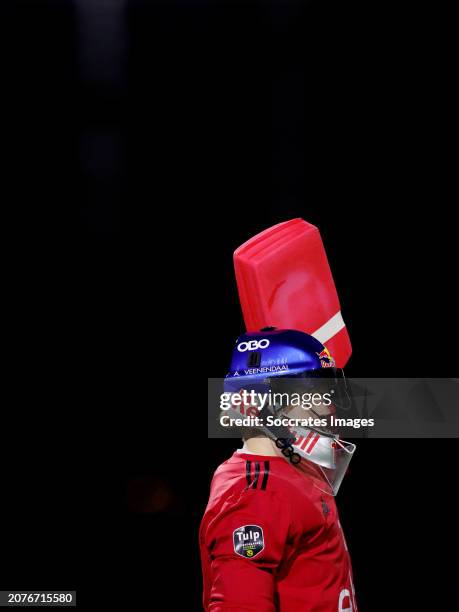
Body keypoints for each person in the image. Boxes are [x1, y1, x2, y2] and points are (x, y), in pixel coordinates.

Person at [200, 328, 358, 611]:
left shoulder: (298, 468)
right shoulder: (254, 494)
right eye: (316, 393)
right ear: (268, 403)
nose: (329, 406)